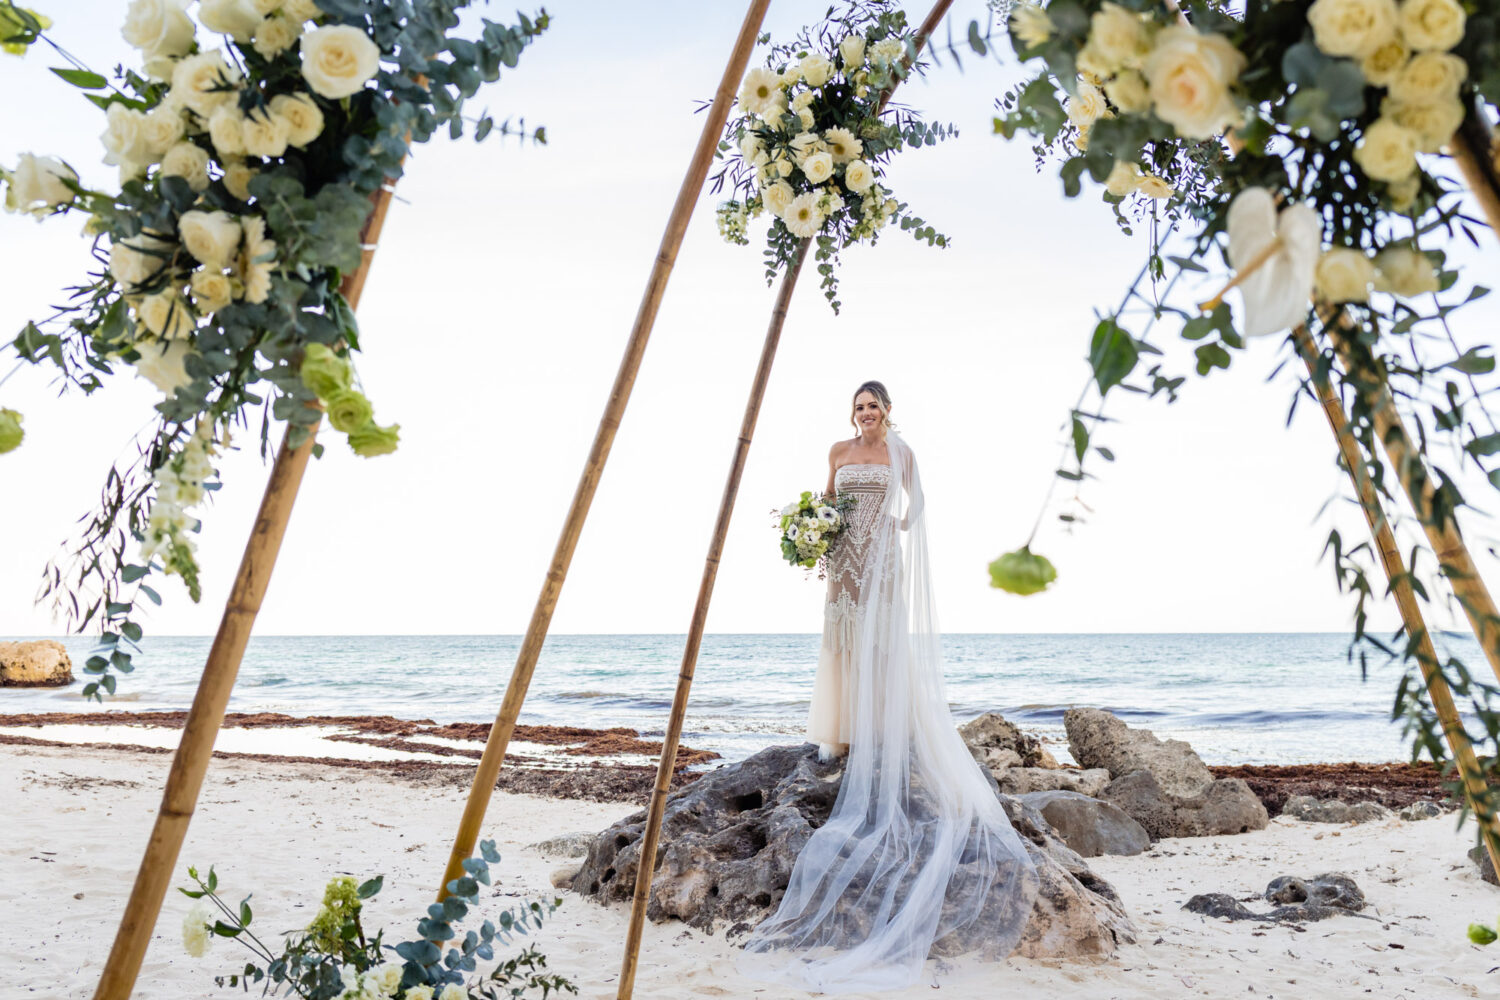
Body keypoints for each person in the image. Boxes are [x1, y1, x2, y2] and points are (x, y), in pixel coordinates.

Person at [741, 380, 1038, 993]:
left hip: (882, 560)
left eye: (874, 406)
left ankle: (881, 725)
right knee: (843, 641)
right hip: (845, 559)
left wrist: (898, 524)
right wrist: (814, 530)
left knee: (879, 643)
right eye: (859, 407)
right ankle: (846, 731)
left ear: (888, 412)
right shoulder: (837, 452)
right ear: (851, 414)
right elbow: (823, 503)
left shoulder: (902, 455)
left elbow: (920, 505)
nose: (867, 413)